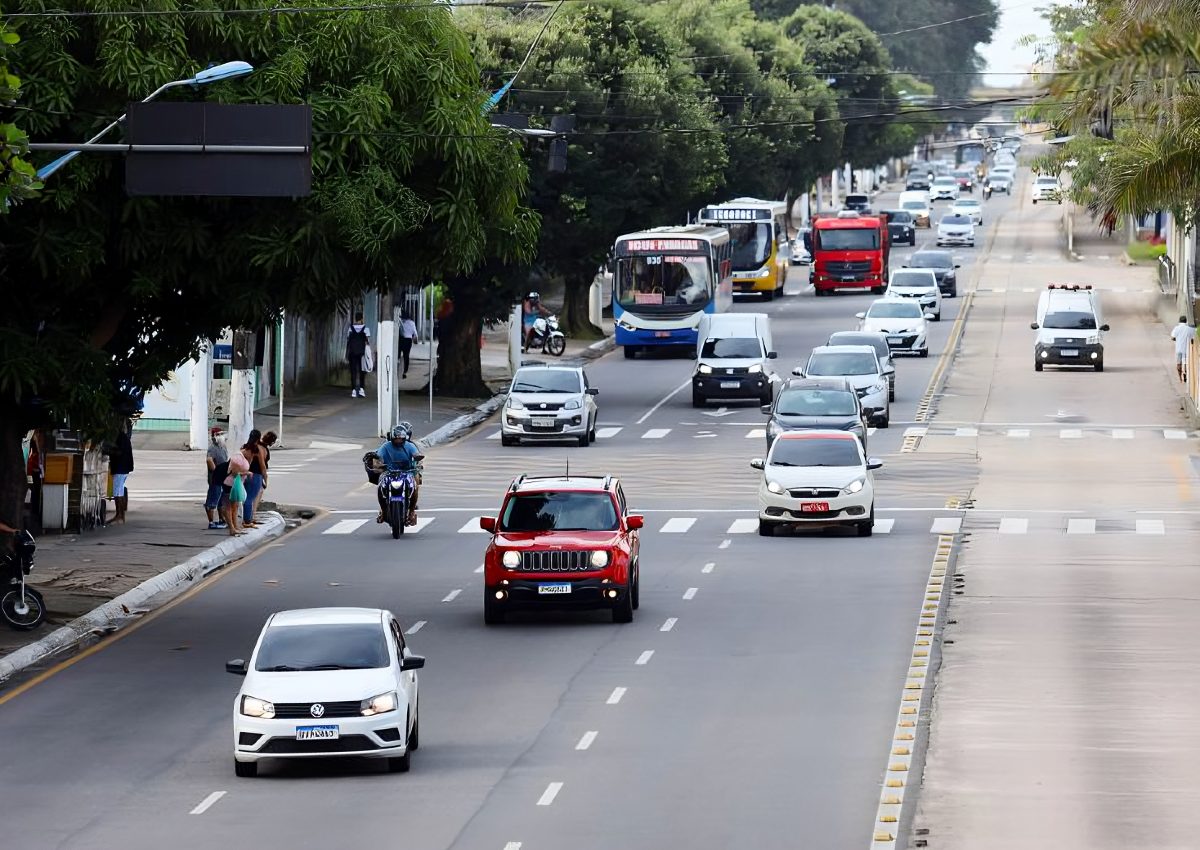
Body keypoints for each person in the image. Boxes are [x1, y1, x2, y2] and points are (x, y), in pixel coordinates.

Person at [373, 424, 422, 526]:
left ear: (405, 438)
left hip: (407, 472)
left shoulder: (410, 446)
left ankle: (412, 511)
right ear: (392, 437)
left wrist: (417, 459)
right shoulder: (385, 446)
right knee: (380, 487)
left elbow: (416, 455)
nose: (399, 441)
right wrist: (378, 465)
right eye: (396, 439)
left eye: (401, 439)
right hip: (389, 473)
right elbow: (377, 458)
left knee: (415, 486)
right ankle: (383, 511)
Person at [109, 418, 134, 524]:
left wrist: (109, 450)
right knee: (119, 491)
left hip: (120, 467)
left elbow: (119, 452)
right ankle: (120, 515)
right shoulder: (124, 437)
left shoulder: (120, 438)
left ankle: (119, 515)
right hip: (123, 467)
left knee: (117, 492)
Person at [241, 429, 267, 528]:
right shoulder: (256, 450)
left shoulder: (244, 448)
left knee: (246, 497)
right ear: (258, 438)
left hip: (245, 475)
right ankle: (247, 520)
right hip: (255, 475)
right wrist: (265, 478)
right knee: (250, 498)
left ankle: (248, 518)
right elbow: (263, 466)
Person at [205, 426, 229, 530]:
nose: (222, 436)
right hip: (215, 478)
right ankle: (211, 522)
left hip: (223, 477)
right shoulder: (212, 448)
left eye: (222, 434)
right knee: (212, 499)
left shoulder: (223, 446)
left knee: (221, 500)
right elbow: (209, 460)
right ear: (214, 436)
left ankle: (221, 519)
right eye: (219, 434)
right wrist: (216, 471)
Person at [224, 450, 250, 536]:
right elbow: (235, 473)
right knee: (229, 507)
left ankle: (235, 526)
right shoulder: (237, 458)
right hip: (229, 484)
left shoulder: (241, 457)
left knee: (234, 506)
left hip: (234, 484)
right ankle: (232, 528)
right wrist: (246, 473)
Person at [252, 430, 277, 518]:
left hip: (250, 472)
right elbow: (263, 466)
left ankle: (250, 514)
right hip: (257, 474)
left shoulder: (255, 445)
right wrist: (266, 480)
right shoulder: (262, 449)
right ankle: (252, 515)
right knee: (257, 495)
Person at [345, 313, 371, 398]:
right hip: (362, 353)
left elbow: (348, 339)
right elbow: (367, 341)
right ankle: (361, 390)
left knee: (353, 371)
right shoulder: (366, 329)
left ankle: (353, 390)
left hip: (352, 353)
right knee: (362, 371)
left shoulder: (350, 328)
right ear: (362, 318)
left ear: (355, 318)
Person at [1171, 315, 1195, 382]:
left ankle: (1180, 378)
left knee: (1179, 363)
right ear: (1186, 321)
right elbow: (1193, 337)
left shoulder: (1176, 328)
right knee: (1186, 362)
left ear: (1179, 321)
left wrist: (1176, 339)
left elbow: (1172, 337)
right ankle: (1186, 374)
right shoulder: (1189, 329)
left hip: (1178, 349)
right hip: (1186, 349)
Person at [399, 313, 417, 378]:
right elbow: (415, 333)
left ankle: (397, 367)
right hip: (408, 340)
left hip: (401, 340)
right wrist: (415, 340)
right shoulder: (412, 323)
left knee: (398, 355)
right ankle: (405, 371)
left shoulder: (400, 321)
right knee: (406, 356)